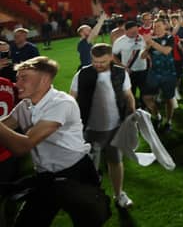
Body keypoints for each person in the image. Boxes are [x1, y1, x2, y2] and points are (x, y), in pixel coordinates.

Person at [0, 57, 110, 226]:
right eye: (17, 78)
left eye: (24, 78)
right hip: (45, 176)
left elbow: (23, 146)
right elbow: (4, 127)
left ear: (44, 79)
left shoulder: (61, 103)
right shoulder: (25, 105)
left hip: (76, 174)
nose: (17, 83)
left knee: (88, 222)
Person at [70, 43, 136, 209]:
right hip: (90, 130)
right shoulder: (83, 74)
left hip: (116, 127)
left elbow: (128, 96)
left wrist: (132, 114)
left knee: (115, 161)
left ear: (112, 58)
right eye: (95, 61)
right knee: (90, 167)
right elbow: (71, 99)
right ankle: (93, 199)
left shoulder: (120, 73)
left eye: (103, 62)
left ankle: (119, 194)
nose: (98, 65)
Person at [141, 18, 177, 133]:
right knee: (146, 97)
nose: (156, 28)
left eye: (159, 26)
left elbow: (166, 51)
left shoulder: (170, 38)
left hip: (169, 73)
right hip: (154, 73)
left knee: (169, 99)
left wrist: (152, 43)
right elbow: (142, 56)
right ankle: (157, 116)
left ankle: (169, 122)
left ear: (165, 26)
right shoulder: (152, 40)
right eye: (155, 26)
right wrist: (147, 46)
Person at [112, 21, 147, 107]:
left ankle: (144, 109)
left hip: (143, 70)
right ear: (126, 31)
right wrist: (122, 66)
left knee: (145, 93)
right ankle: (132, 109)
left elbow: (146, 53)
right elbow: (113, 55)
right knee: (130, 93)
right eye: (133, 32)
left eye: (136, 31)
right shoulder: (120, 41)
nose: (136, 33)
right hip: (128, 72)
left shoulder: (142, 38)